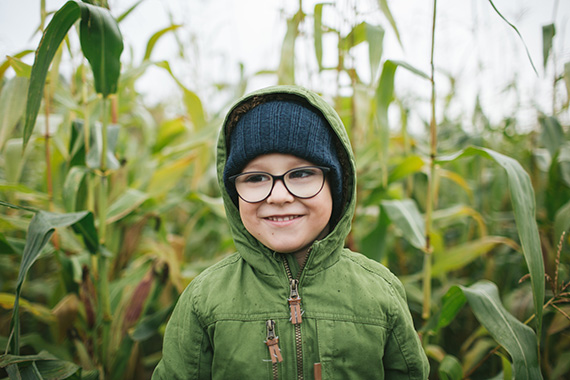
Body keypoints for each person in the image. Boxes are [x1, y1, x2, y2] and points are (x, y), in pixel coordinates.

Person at [152, 85, 429, 379]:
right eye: (256, 178)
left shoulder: (379, 292)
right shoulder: (204, 299)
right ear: (233, 194)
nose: (279, 195)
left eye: (301, 174)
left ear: (337, 186)